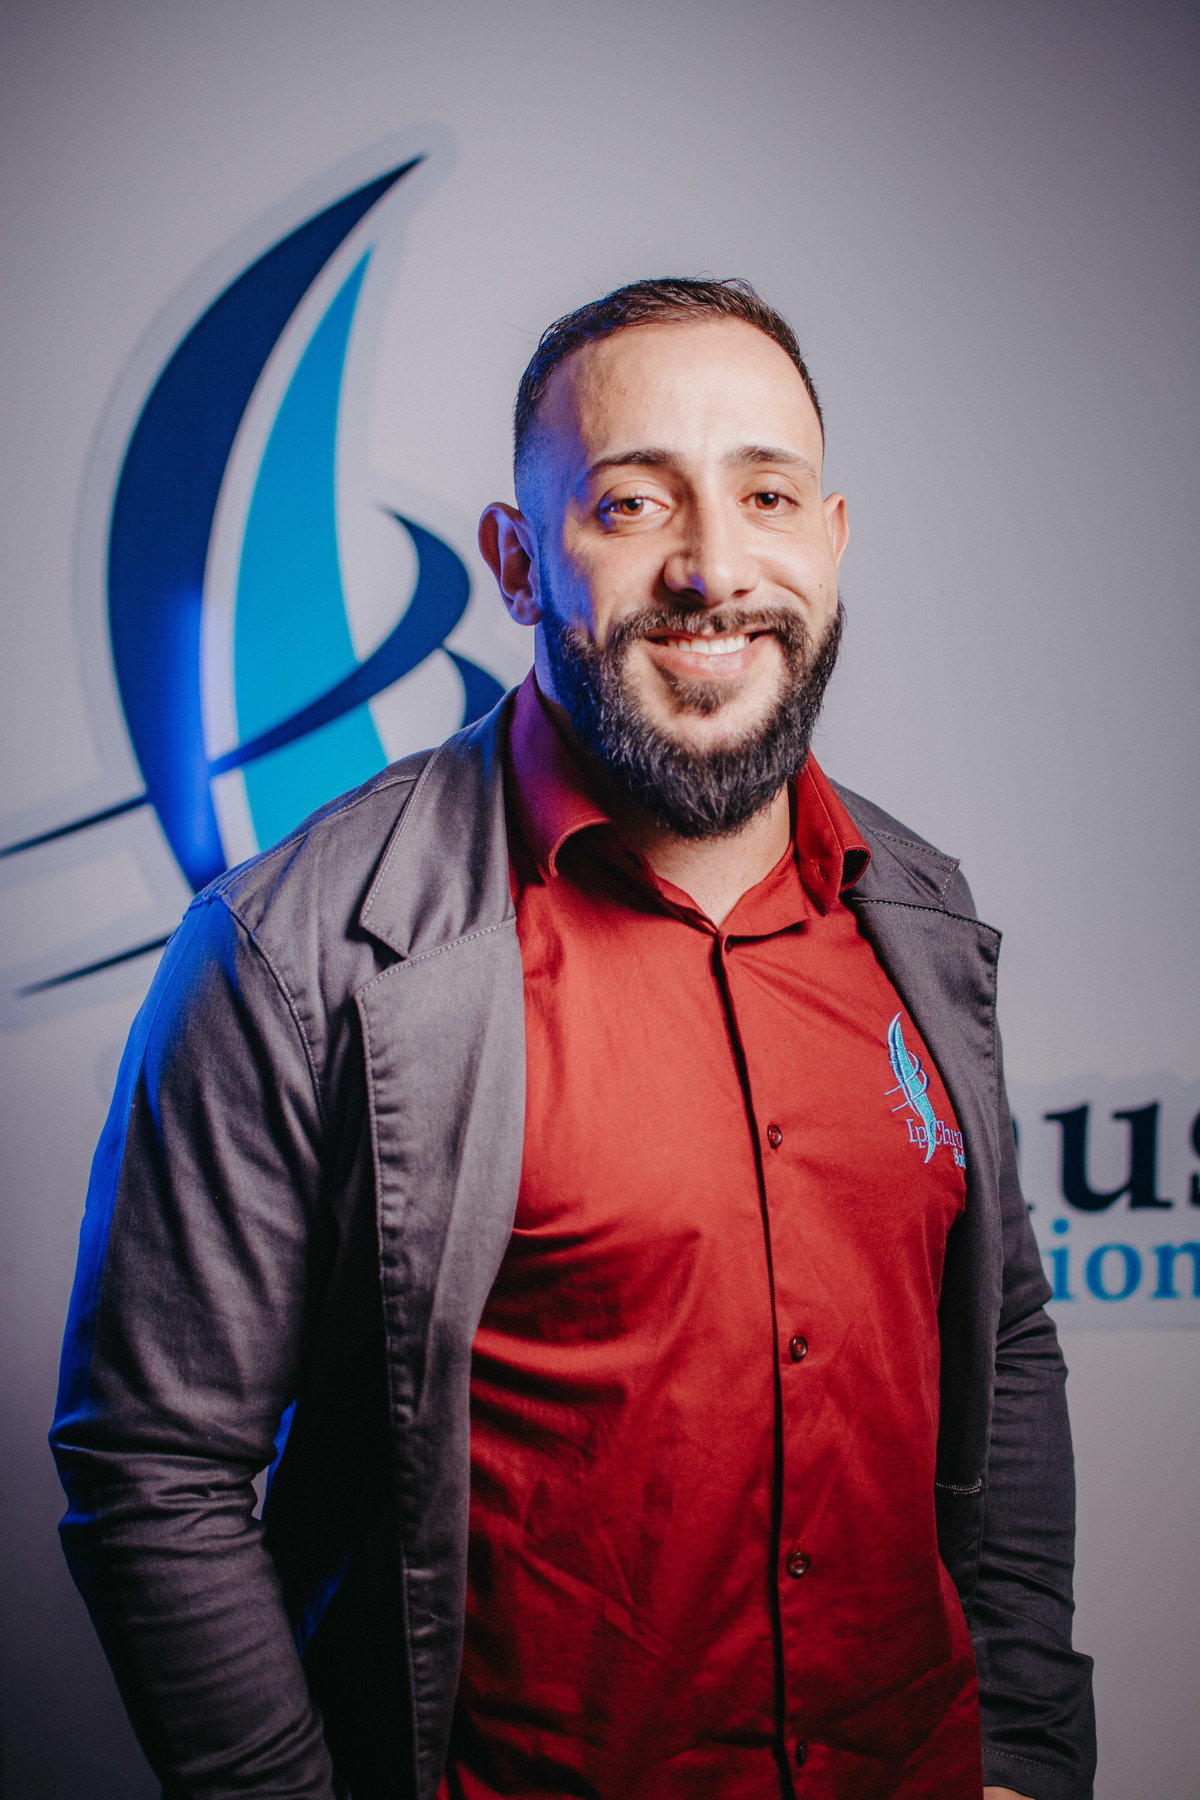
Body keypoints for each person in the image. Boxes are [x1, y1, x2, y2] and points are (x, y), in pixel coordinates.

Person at [51, 278, 1095, 1800]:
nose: (713, 567)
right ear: (515, 560)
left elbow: (999, 1345)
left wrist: (1025, 1754)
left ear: (831, 538)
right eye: (631, 502)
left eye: (766, 495)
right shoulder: (295, 950)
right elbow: (155, 1470)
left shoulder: (919, 913)